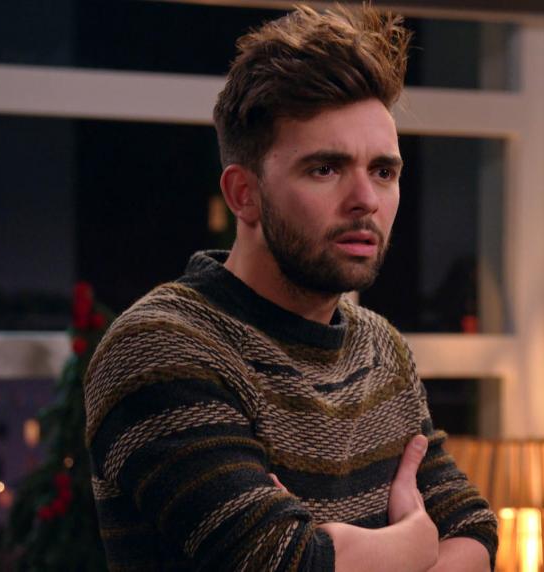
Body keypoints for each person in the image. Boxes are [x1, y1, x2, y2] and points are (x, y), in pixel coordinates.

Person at [83, 5, 497, 571]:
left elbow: (474, 531)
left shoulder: (380, 348)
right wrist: (415, 543)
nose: (365, 200)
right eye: (325, 169)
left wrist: (349, 554)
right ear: (244, 194)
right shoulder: (162, 346)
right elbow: (284, 561)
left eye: (383, 171)